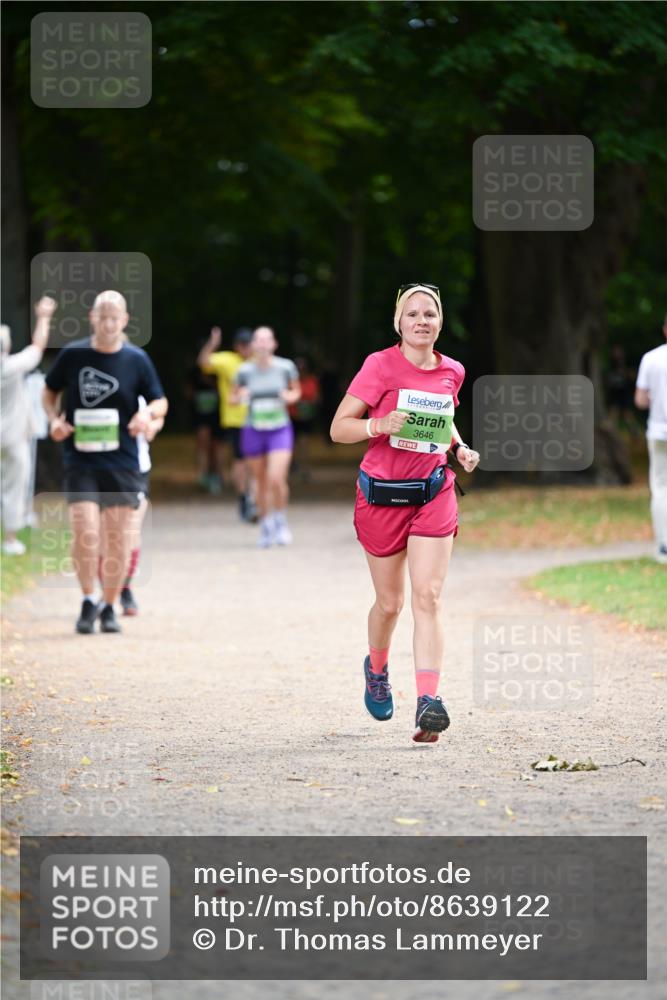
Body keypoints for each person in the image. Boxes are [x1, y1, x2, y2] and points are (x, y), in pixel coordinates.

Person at [330, 283, 480, 743]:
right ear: (399, 323)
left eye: (429, 314)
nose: (421, 321)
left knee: (428, 597)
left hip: (433, 492)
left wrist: (460, 447)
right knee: (391, 603)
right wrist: (379, 424)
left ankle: (428, 703)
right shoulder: (379, 365)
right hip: (381, 497)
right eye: (412, 314)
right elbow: (339, 429)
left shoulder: (452, 370)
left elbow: (441, 420)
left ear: (440, 321)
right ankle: (376, 668)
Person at [43, 290, 168, 634]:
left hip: (123, 463)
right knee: (85, 532)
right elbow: (48, 391)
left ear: (125, 320)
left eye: (116, 317)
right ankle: (87, 599)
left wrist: (148, 417)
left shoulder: (136, 359)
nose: (109, 323)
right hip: (80, 460)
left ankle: (110, 604)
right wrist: (54, 420)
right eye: (103, 316)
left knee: (118, 540)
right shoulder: (73, 355)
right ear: (92, 317)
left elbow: (160, 401)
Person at [232, 326, 301, 547]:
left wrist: (288, 397)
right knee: (259, 481)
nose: (262, 344)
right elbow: (231, 398)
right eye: (258, 340)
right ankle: (266, 523)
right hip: (253, 428)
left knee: (276, 479)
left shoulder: (285, 367)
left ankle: (280, 519)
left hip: (279, 429)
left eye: (266, 340)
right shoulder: (244, 371)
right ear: (252, 345)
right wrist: (240, 396)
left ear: (274, 344)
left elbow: (296, 392)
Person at [0, 297, 57, 554]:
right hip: (13, 436)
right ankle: (10, 539)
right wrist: (43, 317)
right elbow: (38, 346)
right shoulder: (11, 366)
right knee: (14, 486)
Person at [198, 326, 256, 519]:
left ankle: (254, 497)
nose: (248, 348)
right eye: (244, 344)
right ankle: (244, 497)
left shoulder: (260, 361)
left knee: (255, 461)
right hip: (236, 420)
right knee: (241, 460)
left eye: (250, 344)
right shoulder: (228, 360)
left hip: (259, 420)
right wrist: (212, 344)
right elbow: (204, 362)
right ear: (237, 346)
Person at [635, 316, 667, 564]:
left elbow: (641, 400)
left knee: (661, 488)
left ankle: (664, 546)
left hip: (659, 432)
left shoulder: (651, 358)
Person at [185, 357, 221, 493]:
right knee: (202, 443)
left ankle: (216, 475)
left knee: (216, 446)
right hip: (200, 414)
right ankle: (203, 474)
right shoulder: (193, 373)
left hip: (217, 414)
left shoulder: (218, 370)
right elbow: (188, 392)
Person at [288, 356, 321, 479]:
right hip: (291, 415)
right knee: (291, 443)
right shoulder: (290, 381)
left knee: (304, 442)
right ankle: (292, 466)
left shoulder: (312, 380)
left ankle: (305, 469)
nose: (300, 371)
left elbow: (317, 398)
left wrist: (307, 403)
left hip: (305, 417)